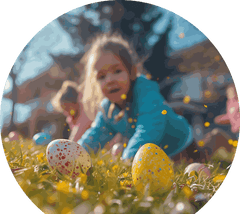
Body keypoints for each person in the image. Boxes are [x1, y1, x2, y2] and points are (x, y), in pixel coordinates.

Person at [77, 33, 194, 163]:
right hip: (158, 156)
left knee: (199, 165)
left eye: (117, 71)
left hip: (181, 144)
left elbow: (149, 127)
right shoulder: (107, 109)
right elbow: (95, 135)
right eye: (101, 77)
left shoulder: (145, 90)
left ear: (132, 72)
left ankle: (216, 139)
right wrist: (76, 155)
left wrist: (129, 158)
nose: (109, 80)